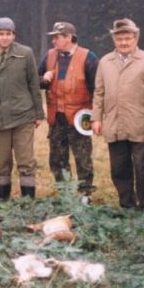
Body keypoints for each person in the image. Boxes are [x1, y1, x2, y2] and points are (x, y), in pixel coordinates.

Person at [92, 18, 144, 209]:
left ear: (135, 38)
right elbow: (99, 92)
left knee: (141, 167)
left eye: (127, 38)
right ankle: (127, 204)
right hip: (113, 124)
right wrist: (96, 118)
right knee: (119, 168)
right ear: (114, 39)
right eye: (119, 39)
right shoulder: (105, 61)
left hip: (139, 124)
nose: (123, 42)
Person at [0, 17, 45, 201]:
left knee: (26, 161)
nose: (4, 38)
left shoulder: (25, 53)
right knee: (1, 162)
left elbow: (34, 84)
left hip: (23, 116)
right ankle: (2, 201)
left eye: (8, 34)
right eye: (1, 34)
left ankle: (27, 202)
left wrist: (39, 113)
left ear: (14, 35)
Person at [38, 21, 99, 203]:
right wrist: (44, 79)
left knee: (82, 158)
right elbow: (34, 79)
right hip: (56, 117)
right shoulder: (49, 56)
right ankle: (65, 194)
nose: (53, 41)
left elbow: (98, 88)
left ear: (69, 38)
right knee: (57, 158)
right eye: (53, 38)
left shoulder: (89, 57)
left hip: (79, 119)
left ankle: (85, 195)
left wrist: (95, 115)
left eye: (57, 37)